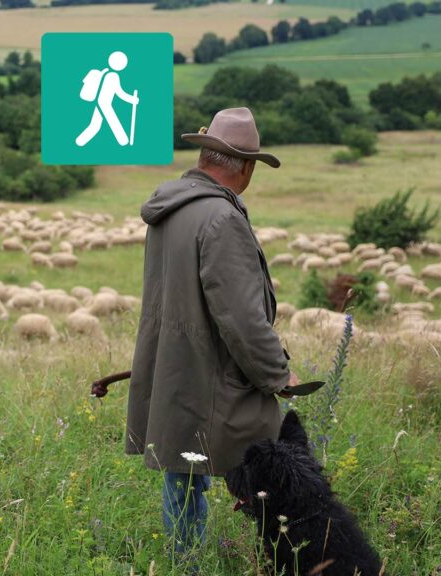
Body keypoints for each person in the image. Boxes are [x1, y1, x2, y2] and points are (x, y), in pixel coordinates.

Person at [124, 107, 301, 566]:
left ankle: (187, 565)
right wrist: (277, 373)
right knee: (275, 471)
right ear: (244, 166)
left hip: (176, 369)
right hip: (214, 377)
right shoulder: (221, 219)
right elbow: (241, 318)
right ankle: (289, 557)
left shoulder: (170, 210)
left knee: (182, 476)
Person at [75, 51, 139, 147]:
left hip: (99, 102)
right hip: (104, 103)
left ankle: (80, 142)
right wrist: (132, 100)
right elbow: (119, 92)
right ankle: (124, 141)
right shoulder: (113, 76)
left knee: (95, 125)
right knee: (112, 122)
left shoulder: (104, 72)